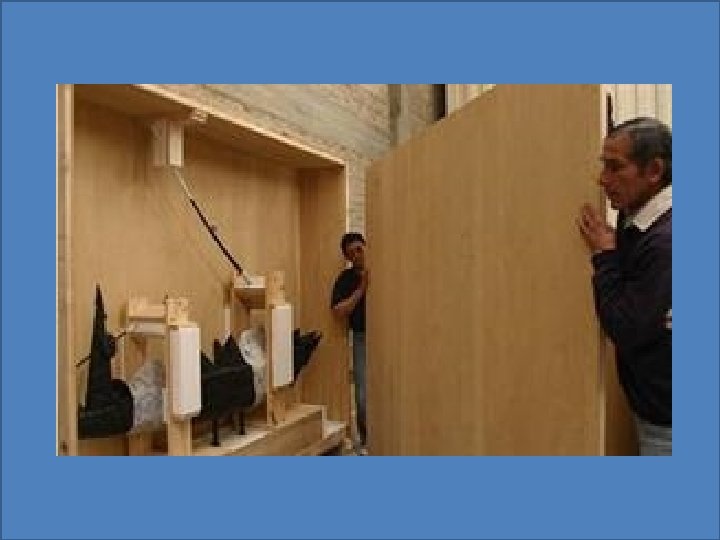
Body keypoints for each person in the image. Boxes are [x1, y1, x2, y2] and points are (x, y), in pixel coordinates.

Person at [577, 117, 672, 456]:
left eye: (615, 167)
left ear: (654, 170)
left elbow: (625, 326)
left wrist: (605, 256)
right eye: (603, 165)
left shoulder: (667, 243)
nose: (602, 179)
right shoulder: (635, 214)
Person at [331, 232, 368, 453]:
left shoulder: (383, 270)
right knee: (362, 395)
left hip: (388, 339)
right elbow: (338, 310)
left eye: (359, 249)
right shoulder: (346, 279)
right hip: (362, 337)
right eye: (351, 253)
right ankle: (366, 441)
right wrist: (361, 289)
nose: (357, 255)